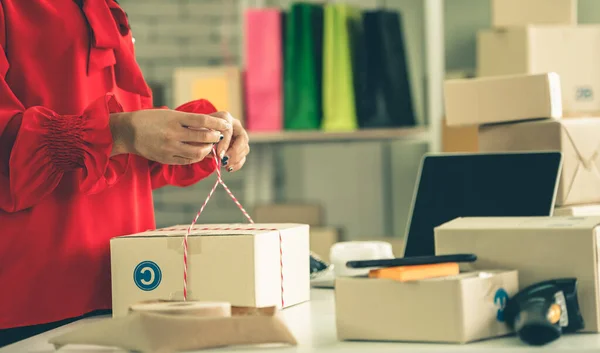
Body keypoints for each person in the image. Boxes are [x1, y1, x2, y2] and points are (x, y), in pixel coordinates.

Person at [0, 0, 250, 346]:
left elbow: (116, 161)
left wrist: (192, 138)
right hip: (35, 294)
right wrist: (120, 132)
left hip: (128, 281)